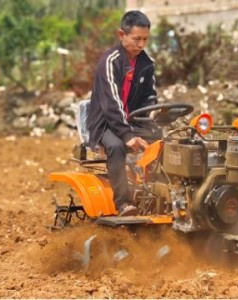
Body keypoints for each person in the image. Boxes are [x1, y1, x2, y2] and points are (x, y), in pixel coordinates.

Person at [87, 10, 157, 216]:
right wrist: (127, 135)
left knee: (164, 141)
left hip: (132, 123)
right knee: (116, 147)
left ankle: (159, 195)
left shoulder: (147, 64)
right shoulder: (110, 61)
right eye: (137, 39)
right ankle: (123, 203)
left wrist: (151, 123)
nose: (141, 44)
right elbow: (111, 103)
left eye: (145, 39)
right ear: (121, 35)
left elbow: (150, 99)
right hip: (105, 124)